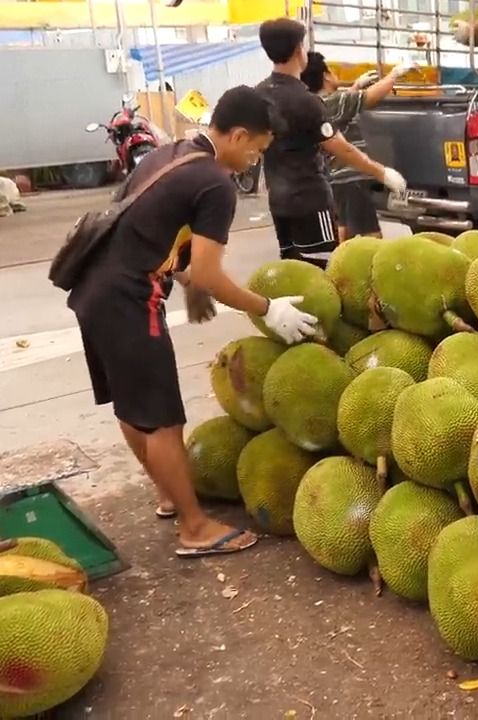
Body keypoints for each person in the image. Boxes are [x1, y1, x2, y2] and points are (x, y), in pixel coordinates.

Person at [65, 85, 319, 559]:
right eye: (257, 150)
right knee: (163, 418)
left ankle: (169, 493)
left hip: (93, 290)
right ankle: (195, 526)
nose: (254, 162)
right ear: (239, 135)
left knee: (130, 403)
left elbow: (142, 226)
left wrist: (184, 281)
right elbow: (207, 270)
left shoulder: (166, 156)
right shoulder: (215, 184)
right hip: (128, 298)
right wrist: (267, 307)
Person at [255, 18, 406, 267]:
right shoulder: (305, 100)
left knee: (293, 270)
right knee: (323, 270)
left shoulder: (259, 94)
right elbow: (339, 146)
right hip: (310, 200)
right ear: (297, 50)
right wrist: (382, 172)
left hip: (279, 202)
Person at [300, 51, 409, 241]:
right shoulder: (334, 102)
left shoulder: (316, 105)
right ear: (325, 75)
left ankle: (340, 267)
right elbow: (370, 96)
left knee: (345, 227)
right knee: (372, 236)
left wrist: (356, 85)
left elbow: (343, 105)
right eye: (332, 72)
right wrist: (395, 73)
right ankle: (373, 267)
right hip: (351, 178)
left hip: (336, 180)